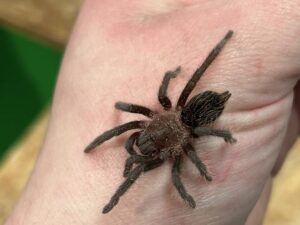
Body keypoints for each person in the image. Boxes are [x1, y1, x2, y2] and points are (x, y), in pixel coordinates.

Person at [5, 1, 300, 224]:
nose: (143, 143)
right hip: (196, 117)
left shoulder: (176, 134)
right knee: (194, 80)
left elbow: (183, 167)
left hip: (200, 114)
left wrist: (215, 145)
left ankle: (222, 44)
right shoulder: (161, 119)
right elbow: (176, 162)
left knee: (197, 75)